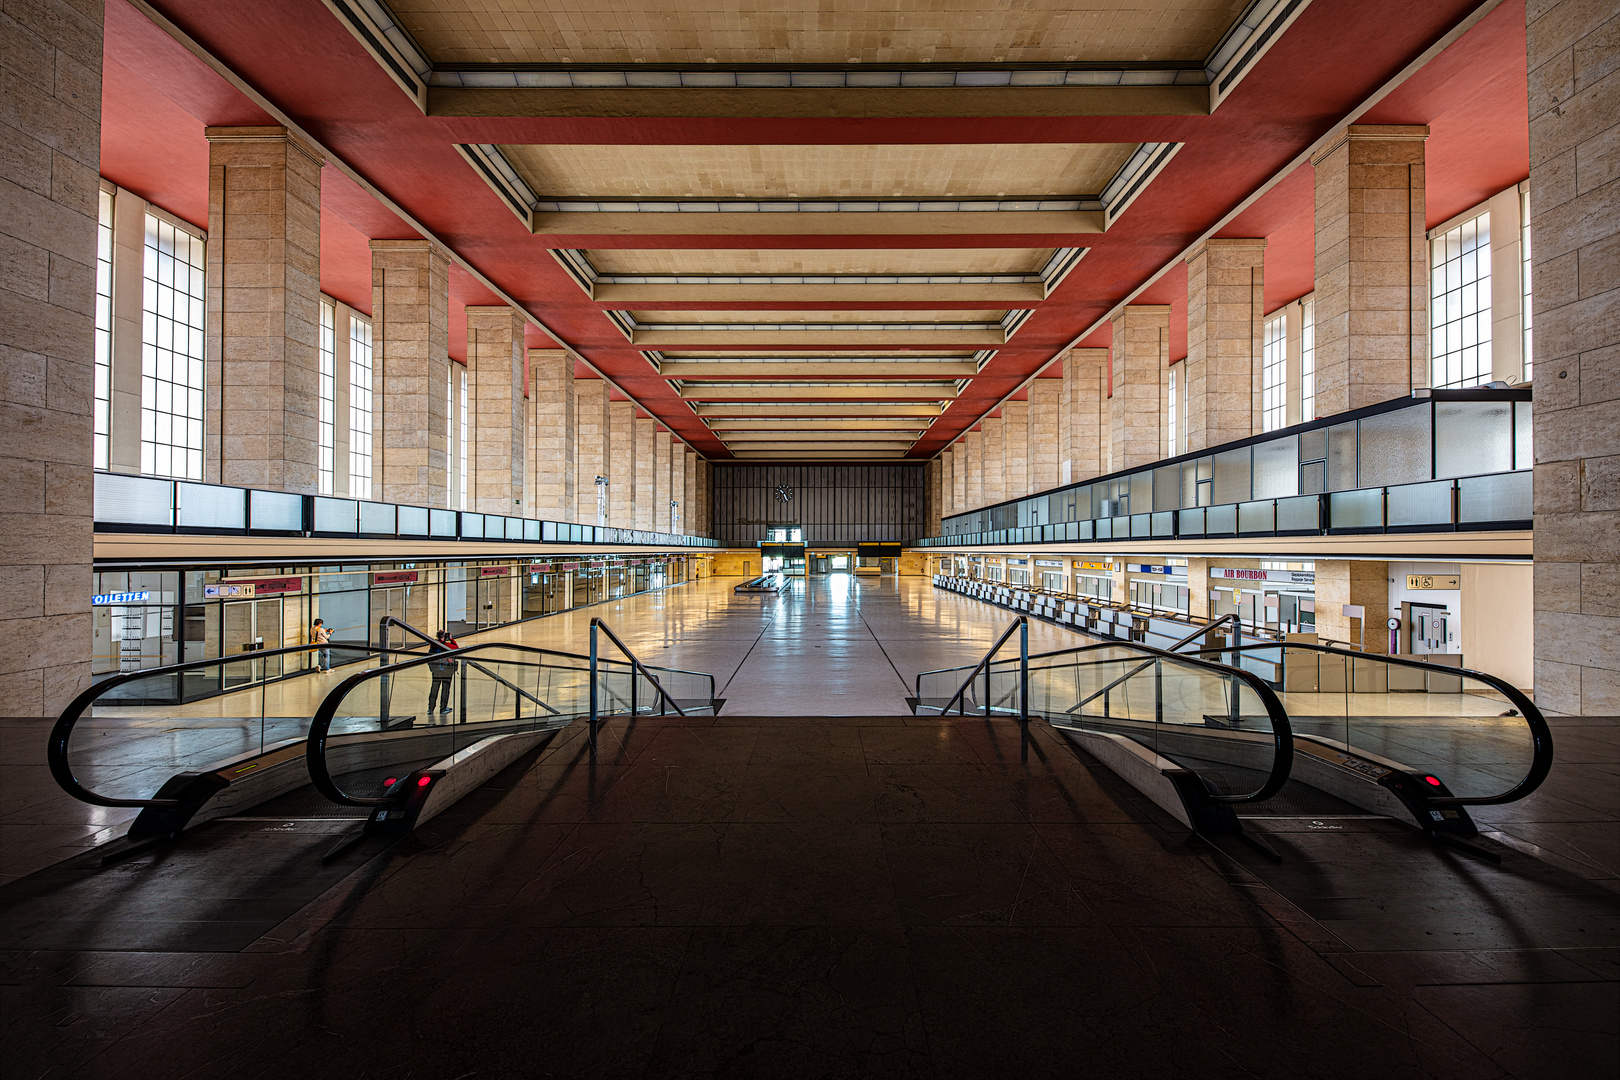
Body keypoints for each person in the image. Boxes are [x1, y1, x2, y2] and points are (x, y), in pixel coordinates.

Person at [426, 630, 458, 719]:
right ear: (445, 636)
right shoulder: (447, 645)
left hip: (436, 670)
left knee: (434, 689)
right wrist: (452, 639)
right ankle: (443, 708)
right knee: (445, 689)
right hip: (446, 670)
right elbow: (457, 648)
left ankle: (430, 708)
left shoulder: (433, 645)